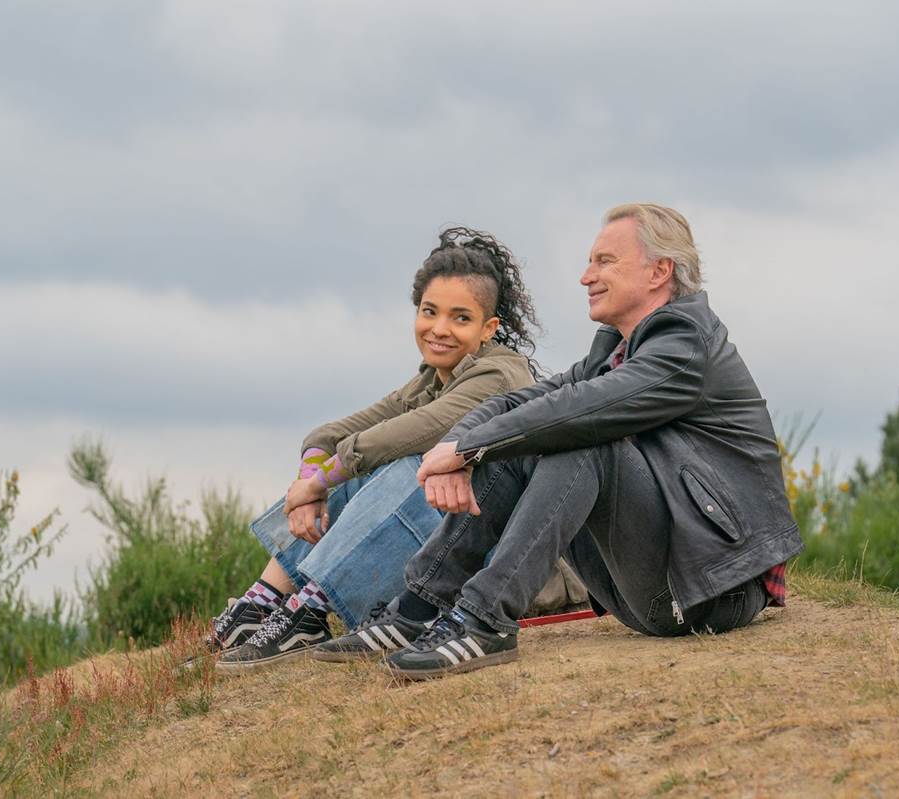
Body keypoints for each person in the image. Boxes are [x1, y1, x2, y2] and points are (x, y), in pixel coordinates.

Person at [323, 203, 804, 679]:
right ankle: (417, 608)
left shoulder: (686, 344)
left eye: (604, 261)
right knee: (525, 439)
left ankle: (484, 620)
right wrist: (458, 446)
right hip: (655, 583)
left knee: (581, 438)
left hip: (717, 587)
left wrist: (468, 449)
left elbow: (581, 410)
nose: (585, 276)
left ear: (659, 271)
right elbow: (518, 403)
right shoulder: (616, 350)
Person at [204, 227, 556, 673]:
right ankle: (263, 602)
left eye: (460, 318)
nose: (439, 329)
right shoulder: (432, 378)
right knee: (359, 466)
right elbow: (332, 433)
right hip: (455, 546)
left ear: (489, 329)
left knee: (408, 465)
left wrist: (320, 480)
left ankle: (311, 608)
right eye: (430, 312)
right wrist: (313, 479)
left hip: (506, 561)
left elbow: (409, 433)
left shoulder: (499, 377)